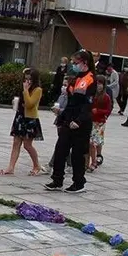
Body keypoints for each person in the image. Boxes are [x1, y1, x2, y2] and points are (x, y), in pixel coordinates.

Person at [45, 50, 96, 193]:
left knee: (77, 154)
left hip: (81, 122)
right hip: (68, 119)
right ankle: (57, 180)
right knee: (60, 149)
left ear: (84, 62)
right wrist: (61, 114)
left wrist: (79, 120)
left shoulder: (91, 78)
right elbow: (70, 101)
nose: (73, 65)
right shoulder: (75, 77)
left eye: (75, 62)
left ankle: (78, 183)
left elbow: (88, 104)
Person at [0, 68, 44, 176]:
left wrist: (25, 90)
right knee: (16, 143)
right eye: (25, 79)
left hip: (30, 119)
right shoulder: (24, 88)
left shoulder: (37, 90)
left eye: (30, 79)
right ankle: (11, 167)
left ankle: (36, 164)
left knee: (27, 145)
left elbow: (30, 104)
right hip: (20, 116)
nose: (27, 81)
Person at [87, 75, 112, 172]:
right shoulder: (92, 95)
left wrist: (98, 111)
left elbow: (107, 110)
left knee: (94, 143)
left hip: (99, 123)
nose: (98, 85)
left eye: (100, 83)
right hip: (91, 121)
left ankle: (94, 162)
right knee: (89, 143)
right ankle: (88, 162)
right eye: (97, 83)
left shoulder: (106, 97)